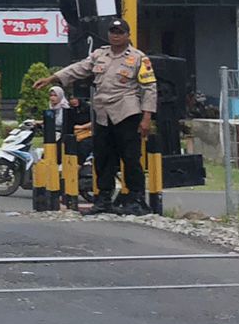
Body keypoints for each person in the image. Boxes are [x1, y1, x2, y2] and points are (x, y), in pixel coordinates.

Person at [37, 18, 157, 216]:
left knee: (130, 158)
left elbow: (149, 88)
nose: (115, 35)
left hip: (127, 113)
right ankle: (103, 199)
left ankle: (136, 199)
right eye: (112, 32)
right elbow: (79, 69)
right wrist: (53, 78)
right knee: (102, 158)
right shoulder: (99, 55)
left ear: (127, 35)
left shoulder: (138, 58)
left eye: (120, 32)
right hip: (102, 115)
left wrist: (146, 118)